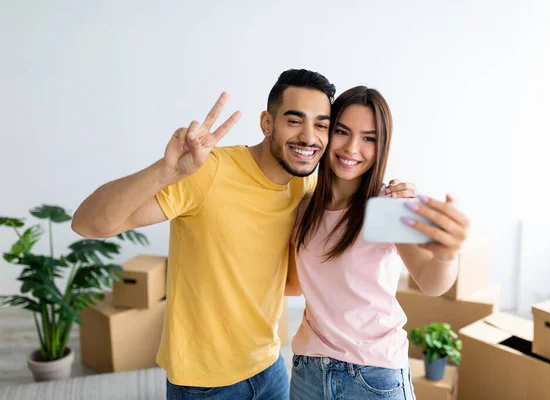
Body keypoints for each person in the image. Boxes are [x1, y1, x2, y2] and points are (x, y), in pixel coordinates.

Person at [71, 69, 408, 399]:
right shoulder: (207, 171)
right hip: (205, 384)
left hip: (270, 366)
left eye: (321, 125)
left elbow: (294, 281)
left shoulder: (306, 184)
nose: (309, 137)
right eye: (294, 120)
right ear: (267, 123)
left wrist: (396, 201)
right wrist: (166, 171)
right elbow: (88, 223)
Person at [286, 86, 470, 400]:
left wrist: (447, 255)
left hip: (372, 376)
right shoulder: (304, 207)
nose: (352, 148)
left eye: (369, 138)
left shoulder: (387, 205)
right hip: (308, 372)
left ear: (382, 145)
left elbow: (430, 281)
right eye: (342, 131)